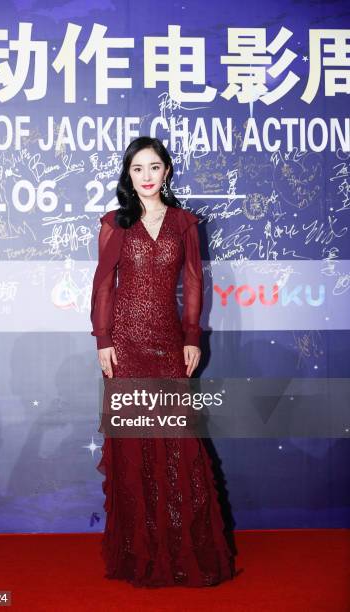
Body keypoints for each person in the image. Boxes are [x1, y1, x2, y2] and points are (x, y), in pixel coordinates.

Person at [90, 136, 236, 587]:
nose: (147, 176)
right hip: (127, 345)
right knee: (134, 444)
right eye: (138, 169)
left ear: (167, 171)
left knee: (179, 443)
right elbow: (102, 285)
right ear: (128, 176)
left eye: (154, 167)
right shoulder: (115, 222)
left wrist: (192, 337)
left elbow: (194, 283)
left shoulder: (184, 223)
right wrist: (103, 338)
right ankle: (140, 551)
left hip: (169, 344)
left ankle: (181, 548)